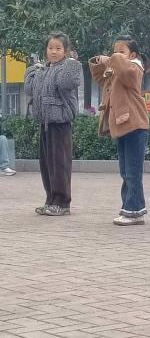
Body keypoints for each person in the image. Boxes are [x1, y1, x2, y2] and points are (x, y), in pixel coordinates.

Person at [89, 35, 150, 226]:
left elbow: (126, 72)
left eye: (121, 52)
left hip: (135, 125)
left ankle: (134, 211)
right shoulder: (117, 70)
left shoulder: (135, 68)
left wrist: (112, 59)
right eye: (114, 51)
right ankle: (129, 208)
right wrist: (98, 62)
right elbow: (100, 79)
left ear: (132, 55)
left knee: (133, 172)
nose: (115, 55)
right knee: (125, 171)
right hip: (122, 126)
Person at [25, 31, 82, 216]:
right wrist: (32, 69)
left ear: (66, 50)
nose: (54, 51)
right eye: (50, 48)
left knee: (60, 164)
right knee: (47, 164)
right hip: (45, 122)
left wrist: (72, 62)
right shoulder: (43, 69)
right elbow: (29, 89)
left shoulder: (68, 68)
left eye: (58, 48)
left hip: (60, 123)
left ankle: (62, 202)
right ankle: (50, 199)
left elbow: (66, 83)